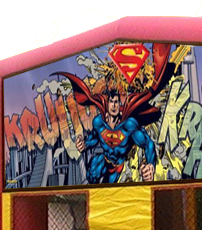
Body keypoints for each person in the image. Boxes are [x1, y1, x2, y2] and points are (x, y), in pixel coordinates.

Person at [55, 42, 175, 184]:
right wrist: (84, 144)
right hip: (103, 161)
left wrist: (150, 165)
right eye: (111, 101)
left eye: (116, 102)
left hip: (118, 167)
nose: (113, 105)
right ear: (107, 102)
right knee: (91, 177)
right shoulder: (99, 122)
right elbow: (94, 138)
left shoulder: (128, 125)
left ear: (120, 104)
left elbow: (148, 144)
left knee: (111, 187)